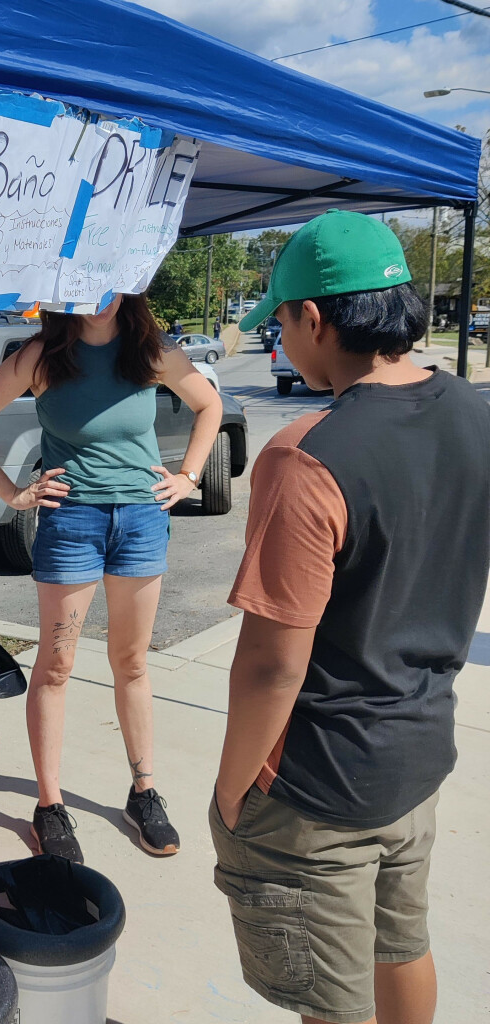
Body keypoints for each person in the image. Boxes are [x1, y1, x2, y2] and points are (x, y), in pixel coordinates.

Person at [211, 210, 490, 1024]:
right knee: (402, 945)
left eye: (283, 324)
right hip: (418, 752)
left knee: (332, 1004)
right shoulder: (474, 412)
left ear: (316, 319)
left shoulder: (309, 455)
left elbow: (271, 663)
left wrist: (233, 794)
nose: (282, 344)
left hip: (318, 784)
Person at [0, 293, 222, 862]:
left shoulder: (151, 350)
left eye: (109, 283)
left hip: (142, 521)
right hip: (72, 521)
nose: (97, 298)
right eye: (83, 285)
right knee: (57, 664)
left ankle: (143, 792)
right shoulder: (43, 356)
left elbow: (209, 406)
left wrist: (189, 476)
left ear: (128, 286)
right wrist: (12, 494)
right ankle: (49, 807)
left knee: (133, 662)